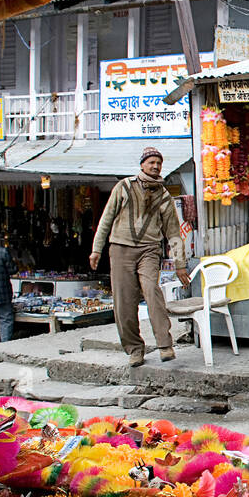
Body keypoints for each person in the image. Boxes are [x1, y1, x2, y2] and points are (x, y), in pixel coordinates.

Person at [90, 147, 191, 367]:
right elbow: (106, 219)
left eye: (158, 163)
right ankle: (134, 349)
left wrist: (180, 265)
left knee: (152, 291)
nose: (155, 166)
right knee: (123, 301)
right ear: (142, 164)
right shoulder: (124, 187)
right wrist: (97, 249)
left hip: (149, 249)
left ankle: (165, 344)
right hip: (120, 248)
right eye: (151, 162)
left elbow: (173, 232)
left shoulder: (164, 196)